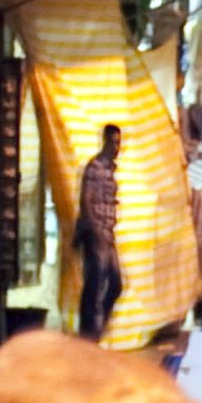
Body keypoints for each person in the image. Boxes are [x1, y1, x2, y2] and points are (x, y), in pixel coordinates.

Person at [76, 123, 126, 340]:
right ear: (105, 142)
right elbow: (86, 199)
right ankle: (89, 334)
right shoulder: (95, 167)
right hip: (96, 233)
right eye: (114, 142)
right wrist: (93, 229)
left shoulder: (111, 169)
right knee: (95, 284)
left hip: (108, 233)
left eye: (119, 143)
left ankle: (97, 330)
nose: (117, 147)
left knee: (115, 283)